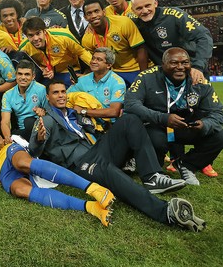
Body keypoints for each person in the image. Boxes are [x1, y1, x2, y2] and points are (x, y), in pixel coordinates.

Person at [29, 81, 207, 232]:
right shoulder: (46, 120)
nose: (61, 96)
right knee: (109, 172)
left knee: (129, 119)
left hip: (96, 150)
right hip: (79, 164)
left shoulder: (73, 113)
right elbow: (33, 151)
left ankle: (152, 176)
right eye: (55, 93)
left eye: (63, 92)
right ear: (48, 97)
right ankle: (165, 212)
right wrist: (39, 139)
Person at [0, 98, 114, 226]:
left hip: (7, 152)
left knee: (23, 163)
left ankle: (94, 189)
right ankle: (91, 207)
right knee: (20, 190)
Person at [124, 47, 223, 185]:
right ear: (163, 64)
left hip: (186, 127)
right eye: (174, 63)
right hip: (157, 126)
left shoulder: (200, 82)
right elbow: (130, 104)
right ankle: (145, 161)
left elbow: (218, 113)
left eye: (185, 62)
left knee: (220, 137)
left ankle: (187, 165)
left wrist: (204, 124)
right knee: (155, 144)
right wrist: (163, 118)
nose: (180, 67)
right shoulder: (147, 77)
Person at [131, 0, 213, 82]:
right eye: (139, 8)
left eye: (148, 6)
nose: (145, 11)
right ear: (133, 10)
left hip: (191, 71)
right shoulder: (134, 25)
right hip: (165, 76)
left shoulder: (175, 15)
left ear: (155, 3)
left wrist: (198, 66)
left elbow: (204, 37)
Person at [80, 0, 147, 86]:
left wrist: (143, 76)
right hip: (111, 73)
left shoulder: (123, 23)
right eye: (89, 13)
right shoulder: (87, 39)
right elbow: (94, 63)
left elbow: (141, 49)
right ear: (85, 17)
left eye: (96, 11)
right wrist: (84, 77)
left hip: (134, 69)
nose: (94, 16)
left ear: (104, 12)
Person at [21, 17, 92, 84]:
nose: (35, 38)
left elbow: (82, 52)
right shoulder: (24, 48)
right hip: (46, 74)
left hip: (67, 70)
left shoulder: (63, 36)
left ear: (44, 31)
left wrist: (96, 68)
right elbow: (27, 65)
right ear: (26, 36)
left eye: (38, 33)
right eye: (31, 35)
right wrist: (42, 69)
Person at [67, 48, 127, 122]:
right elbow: (66, 98)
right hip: (85, 122)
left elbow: (114, 112)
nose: (93, 62)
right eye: (93, 58)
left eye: (99, 60)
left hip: (109, 125)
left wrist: (84, 111)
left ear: (108, 65)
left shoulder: (117, 82)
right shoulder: (82, 80)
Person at [0, 60, 48, 142]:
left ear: (33, 76)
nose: (23, 77)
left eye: (27, 74)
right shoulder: (7, 95)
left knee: (29, 122)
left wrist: (43, 112)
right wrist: (8, 138)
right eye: (20, 74)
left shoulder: (41, 89)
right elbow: (5, 122)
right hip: (22, 132)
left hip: (40, 128)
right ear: (15, 75)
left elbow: (50, 113)